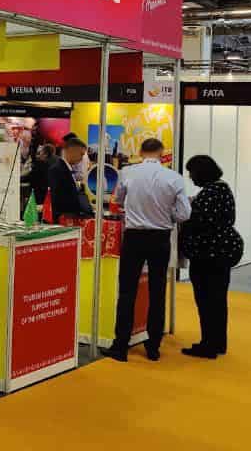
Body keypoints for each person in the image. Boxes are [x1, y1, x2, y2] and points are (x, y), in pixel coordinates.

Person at [104, 138, 191, 362]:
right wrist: (167, 216)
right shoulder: (174, 177)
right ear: (161, 153)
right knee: (158, 291)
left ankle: (120, 346)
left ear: (141, 152)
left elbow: (118, 200)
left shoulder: (127, 173)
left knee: (127, 292)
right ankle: (153, 347)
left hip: (134, 237)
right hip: (160, 238)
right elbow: (184, 214)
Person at [179, 155, 244, 359]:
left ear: (201, 172)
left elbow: (198, 222)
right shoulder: (222, 188)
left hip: (208, 255)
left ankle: (208, 344)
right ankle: (217, 342)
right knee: (218, 300)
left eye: (191, 172)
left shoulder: (210, 193)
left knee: (206, 300)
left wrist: (185, 215)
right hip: (222, 253)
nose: (190, 177)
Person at [48, 137, 92, 218]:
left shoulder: (67, 168)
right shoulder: (57, 169)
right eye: (81, 154)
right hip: (64, 219)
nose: (82, 158)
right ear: (71, 150)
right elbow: (56, 199)